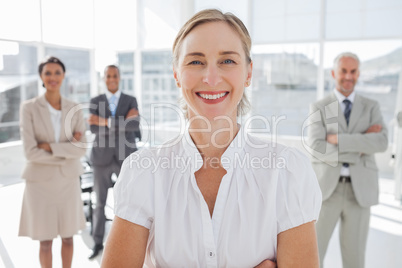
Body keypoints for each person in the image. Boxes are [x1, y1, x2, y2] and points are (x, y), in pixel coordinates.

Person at [102, 9, 322, 268]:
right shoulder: (143, 172)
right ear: (176, 74)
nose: (211, 78)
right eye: (196, 62)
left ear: (249, 73)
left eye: (227, 61)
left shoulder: (287, 172)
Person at [308, 52, 388, 268]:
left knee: (355, 259)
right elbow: (316, 147)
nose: (348, 76)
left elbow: (381, 142)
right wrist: (361, 144)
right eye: (343, 71)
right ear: (334, 73)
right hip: (327, 191)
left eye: (353, 71)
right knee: (313, 255)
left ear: (358, 74)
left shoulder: (371, 106)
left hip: (359, 192)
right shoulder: (320, 107)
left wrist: (337, 140)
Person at [18, 56, 87, 268]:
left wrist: (49, 146)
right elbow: (30, 152)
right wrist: (67, 149)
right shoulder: (28, 108)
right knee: (45, 241)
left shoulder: (75, 108)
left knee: (68, 237)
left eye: (57, 72)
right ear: (41, 77)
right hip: (40, 184)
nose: (53, 77)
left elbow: (82, 148)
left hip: (68, 182)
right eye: (47, 73)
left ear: (64, 76)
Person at [88, 65, 140, 259]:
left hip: (125, 158)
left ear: (119, 77)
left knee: (128, 202)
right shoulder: (95, 101)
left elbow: (134, 125)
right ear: (104, 78)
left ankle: (128, 242)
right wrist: (121, 123)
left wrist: (106, 122)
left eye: (114, 75)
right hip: (101, 159)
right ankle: (97, 243)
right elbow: (93, 129)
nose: (111, 79)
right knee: (100, 203)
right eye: (108, 76)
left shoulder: (130, 100)